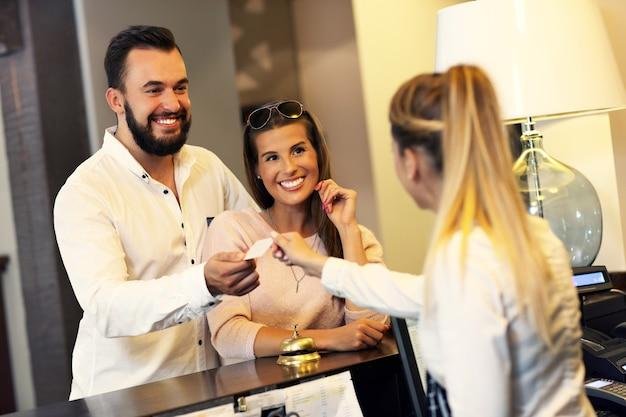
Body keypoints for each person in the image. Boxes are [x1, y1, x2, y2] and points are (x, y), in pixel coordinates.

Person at [270, 66, 594, 416]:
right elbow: (418, 293)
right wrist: (315, 262)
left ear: (410, 162)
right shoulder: (530, 234)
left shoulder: (465, 257)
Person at [53, 26, 259, 399]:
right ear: (116, 100)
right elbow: (108, 307)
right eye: (154, 90)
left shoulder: (208, 167)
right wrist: (204, 283)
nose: (173, 103)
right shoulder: (85, 192)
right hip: (125, 401)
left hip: (212, 394)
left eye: (180, 87)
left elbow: (260, 239)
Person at [202, 100, 388, 364]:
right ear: (257, 169)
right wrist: (329, 339)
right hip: (263, 396)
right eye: (272, 157)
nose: (288, 167)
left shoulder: (358, 238)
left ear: (318, 155)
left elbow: (371, 329)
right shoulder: (233, 229)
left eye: (298, 150)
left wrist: (347, 230)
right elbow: (228, 335)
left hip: (345, 392)